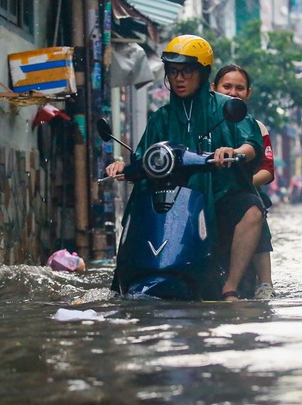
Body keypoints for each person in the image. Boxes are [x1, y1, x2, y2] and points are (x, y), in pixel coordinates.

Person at [105, 35, 265, 301]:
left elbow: (251, 143)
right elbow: (144, 156)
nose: (179, 78)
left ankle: (231, 286)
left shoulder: (226, 107)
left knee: (252, 209)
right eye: (173, 72)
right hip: (175, 198)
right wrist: (125, 166)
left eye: (187, 71)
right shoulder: (161, 117)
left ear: (202, 74)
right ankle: (126, 278)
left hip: (219, 193)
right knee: (137, 206)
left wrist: (234, 152)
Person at [212, 64, 276, 299]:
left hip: (242, 190)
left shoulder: (255, 127)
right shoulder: (200, 124)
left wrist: (241, 180)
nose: (232, 92)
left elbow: (268, 170)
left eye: (239, 88)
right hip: (208, 191)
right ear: (213, 89)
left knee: (255, 207)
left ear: (248, 93)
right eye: (226, 86)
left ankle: (265, 283)